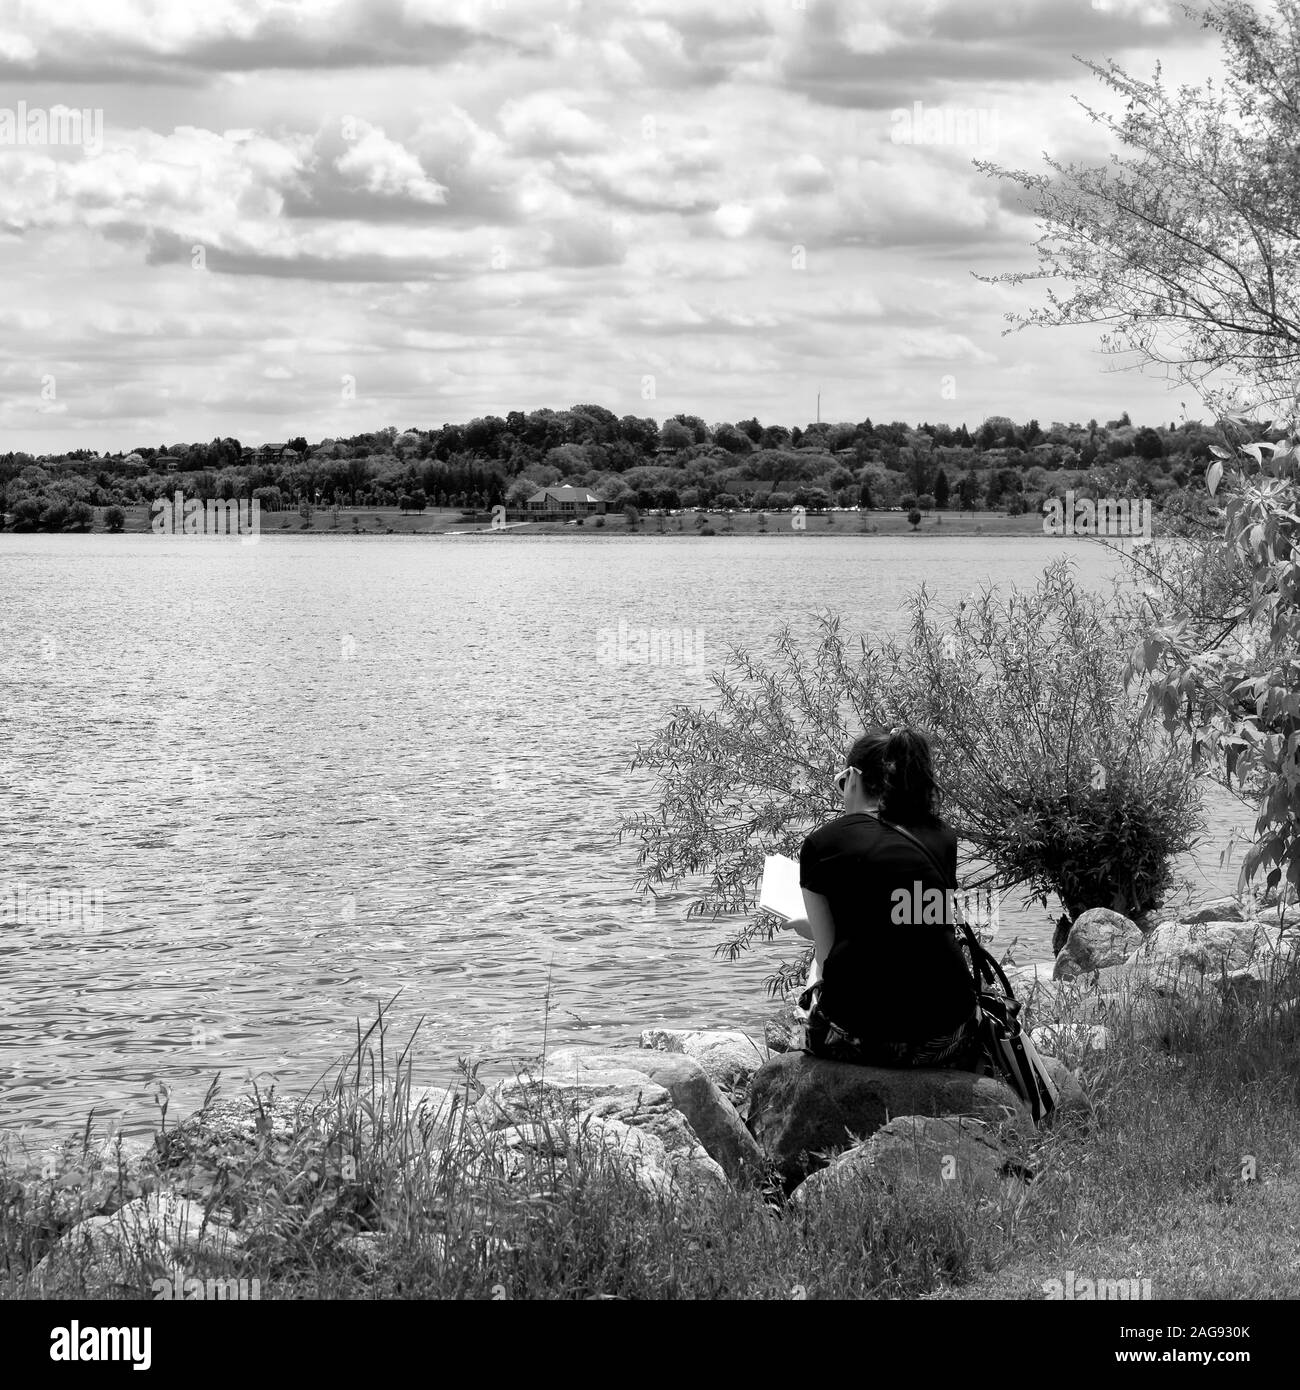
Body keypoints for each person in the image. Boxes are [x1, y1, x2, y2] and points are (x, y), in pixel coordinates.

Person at [785, 725, 983, 1069]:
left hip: (863, 1038)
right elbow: (921, 920)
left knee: (817, 968)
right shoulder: (942, 837)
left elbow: (828, 954)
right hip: (948, 1033)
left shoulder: (823, 843)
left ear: (854, 778)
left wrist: (812, 930)